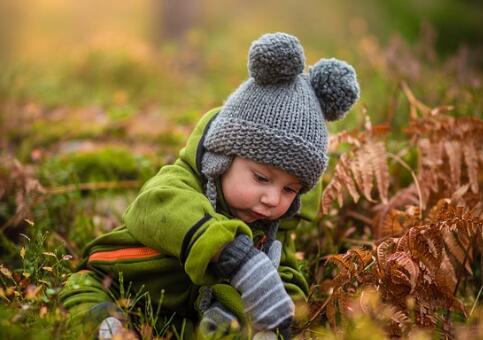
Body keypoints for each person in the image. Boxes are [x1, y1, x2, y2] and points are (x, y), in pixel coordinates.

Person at [60, 32, 360, 339]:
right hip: (118, 280)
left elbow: (286, 276)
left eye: (289, 190)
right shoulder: (182, 182)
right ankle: (105, 327)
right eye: (261, 178)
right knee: (84, 292)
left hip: (182, 315)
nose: (272, 199)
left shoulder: (272, 228)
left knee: (226, 325)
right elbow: (154, 206)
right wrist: (232, 253)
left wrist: (281, 312)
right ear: (222, 158)